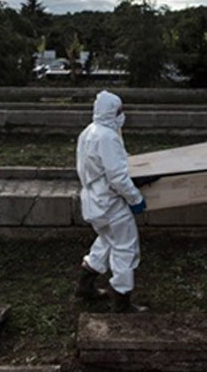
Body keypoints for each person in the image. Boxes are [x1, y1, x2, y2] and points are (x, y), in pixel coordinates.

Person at [75, 90, 148, 312]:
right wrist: (135, 198)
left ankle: (84, 285)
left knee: (106, 241)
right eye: (119, 111)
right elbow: (117, 177)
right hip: (110, 204)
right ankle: (122, 300)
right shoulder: (107, 137)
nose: (121, 114)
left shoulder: (88, 132)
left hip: (93, 201)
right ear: (111, 111)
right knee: (125, 248)